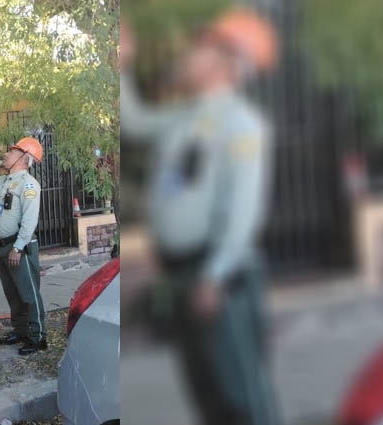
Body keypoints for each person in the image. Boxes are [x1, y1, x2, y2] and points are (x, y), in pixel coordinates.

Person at [120, 8, 281, 425]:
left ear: (226, 63)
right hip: (184, 275)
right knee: (208, 395)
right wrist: (123, 64)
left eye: (198, 48)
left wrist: (216, 274)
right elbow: (134, 122)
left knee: (243, 399)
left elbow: (243, 209)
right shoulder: (185, 116)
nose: (186, 55)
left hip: (219, 282)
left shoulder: (241, 123)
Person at [0, 137, 47, 355]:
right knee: (13, 294)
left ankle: (38, 336)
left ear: (23, 158)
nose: (5, 154)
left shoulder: (29, 185)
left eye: (11, 152)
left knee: (29, 294)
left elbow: (30, 220)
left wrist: (18, 247)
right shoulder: (5, 181)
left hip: (18, 248)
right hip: (3, 247)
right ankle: (21, 331)